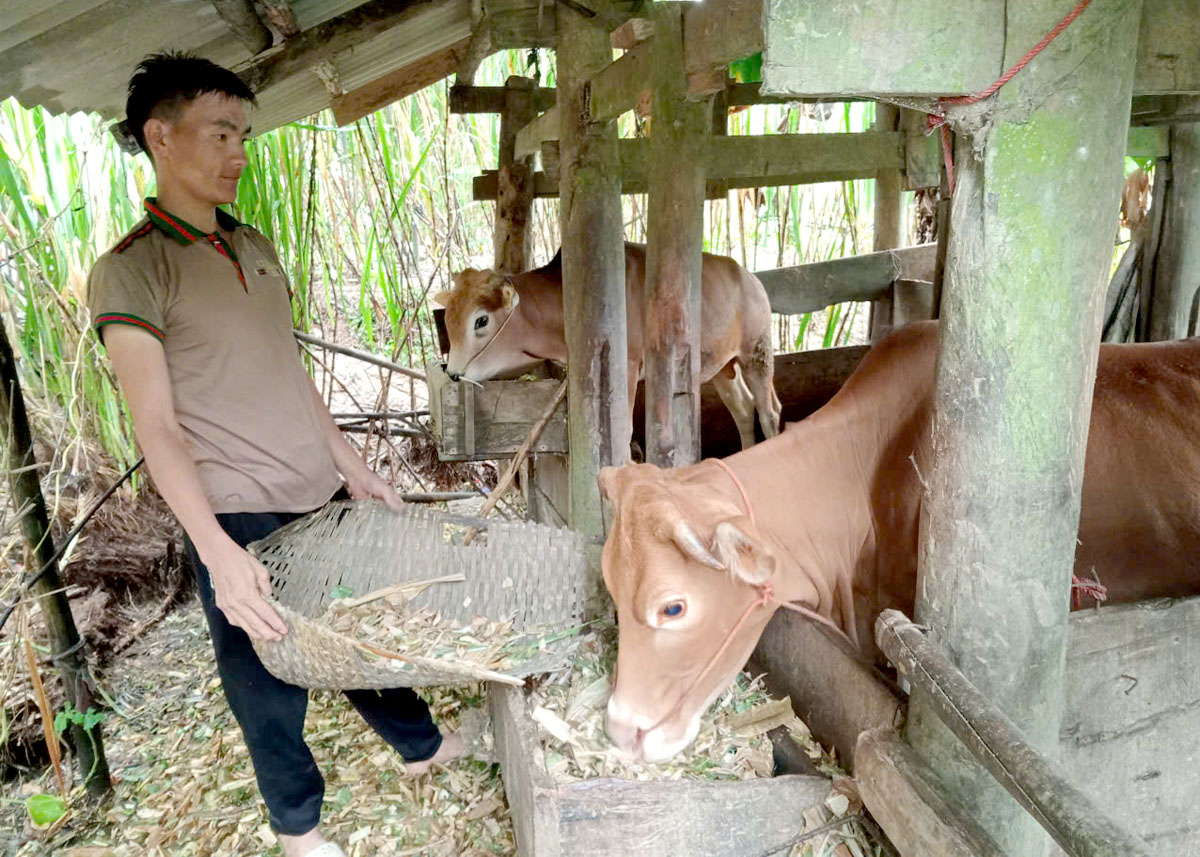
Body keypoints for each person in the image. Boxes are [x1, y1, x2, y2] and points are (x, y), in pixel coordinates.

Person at [87, 53, 462, 857]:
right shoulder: (132, 269)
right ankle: (298, 825)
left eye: (244, 134)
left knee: (356, 636)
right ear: (161, 135)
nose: (238, 152)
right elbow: (157, 427)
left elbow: (291, 376)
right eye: (220, 132)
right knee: (264, 673)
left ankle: (424, 748)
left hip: (314, 485)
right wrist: (218, 552)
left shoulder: (252, 244)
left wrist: (350, 463)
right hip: (236, 506)